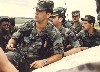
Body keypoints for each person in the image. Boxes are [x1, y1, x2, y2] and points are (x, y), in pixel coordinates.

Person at [6, 1, 64, 72]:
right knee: (6, 57)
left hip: (37, 64)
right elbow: (14, 37)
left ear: (48, 14)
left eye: (40, 11)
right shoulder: (28, 25)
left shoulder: (54, 33)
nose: (36, 13)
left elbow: (59, 55)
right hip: (21, 59)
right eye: (36, 10)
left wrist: (44, 62)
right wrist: (10, 44)